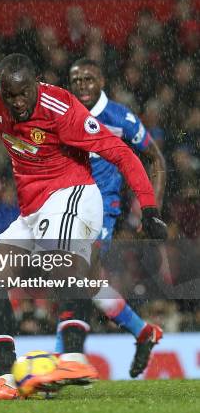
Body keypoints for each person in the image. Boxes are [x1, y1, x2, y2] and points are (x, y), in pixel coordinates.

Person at [0, 53, 167, 401]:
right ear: (1, 89)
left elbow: (122, 154)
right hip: (32, 211)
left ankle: (72, 357)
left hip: (73, 195)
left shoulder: (60, 107)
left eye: (24, 94)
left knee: (64, 265)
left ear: (36, 84)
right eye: (11, 96)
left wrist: (149, 207)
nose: (18, 103)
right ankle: (7, 379)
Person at [63, 57, 167, 377]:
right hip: (67, 209)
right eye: (76, 80)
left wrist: (152, 211)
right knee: (88, 282)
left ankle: (67, 358)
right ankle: (143, 331)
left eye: (88, 79)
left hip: (102, 211)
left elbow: (155, 159)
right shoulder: (64, 114)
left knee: (74, 274)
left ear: (102, 81)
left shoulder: (119, 117)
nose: (82, 85)